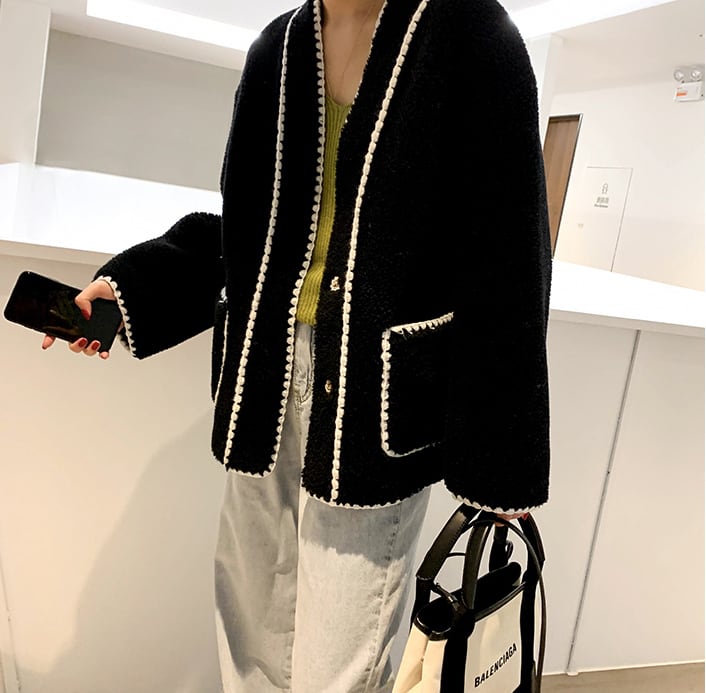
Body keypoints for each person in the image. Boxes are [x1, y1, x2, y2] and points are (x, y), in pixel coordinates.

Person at [42, 0, 552, 690]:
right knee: (248, 636)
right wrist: (132, 289)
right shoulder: (276, 48)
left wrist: (502, 461)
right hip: (263, 388)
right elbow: (246, 236)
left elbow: (509, 261)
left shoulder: (473, 37)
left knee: (338, 664)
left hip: (374, 409)